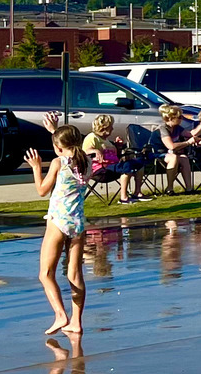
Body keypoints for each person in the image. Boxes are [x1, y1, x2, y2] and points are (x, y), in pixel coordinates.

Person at [25, 124, 94, 337]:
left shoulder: (57, 162)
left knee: (45, 274)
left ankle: (60, 314)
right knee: (74, 273)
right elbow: (67, 146)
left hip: (58, 221)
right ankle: (76, 321)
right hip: (78, 222)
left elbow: (41, 191)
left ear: (58, 147)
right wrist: (55, 131)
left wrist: (36, 167)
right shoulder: (86, 161)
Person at [82, 113, 146, 203]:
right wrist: (96, 151)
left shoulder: (107, 140)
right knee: (127, 167)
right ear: (104, 127)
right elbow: (84, 152)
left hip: (113, 167)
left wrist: (118, 146)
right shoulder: (92, 137)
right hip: (100, 169)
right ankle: (124, 198)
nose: (112, 128)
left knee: (138, 164)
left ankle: (137, 192)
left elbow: (116, 156)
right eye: (111, 126)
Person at [154, 103, 199, 193]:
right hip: (159, 153)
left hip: (171, 153)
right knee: (173, 157)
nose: (181, 119)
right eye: (179, 117)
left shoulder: (177, 127)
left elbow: (191, 134)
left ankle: (189, 189)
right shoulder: (163, 128)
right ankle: (170, 188)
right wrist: (188, 142)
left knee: (184, 158)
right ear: (170, 118)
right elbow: (171, 146)